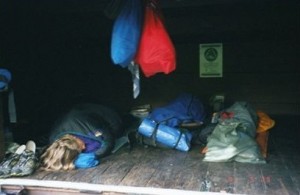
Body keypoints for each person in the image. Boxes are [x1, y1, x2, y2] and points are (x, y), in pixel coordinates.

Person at [40, 103, 124, 171]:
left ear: (74, 138)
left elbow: (108, 141)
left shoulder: (84, 124)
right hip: (76, 111)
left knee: (120, 126)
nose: (84, 147)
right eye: (80, 151)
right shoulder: (55, 141)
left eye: (80, 146)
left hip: (104, 114)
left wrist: (95, 155)